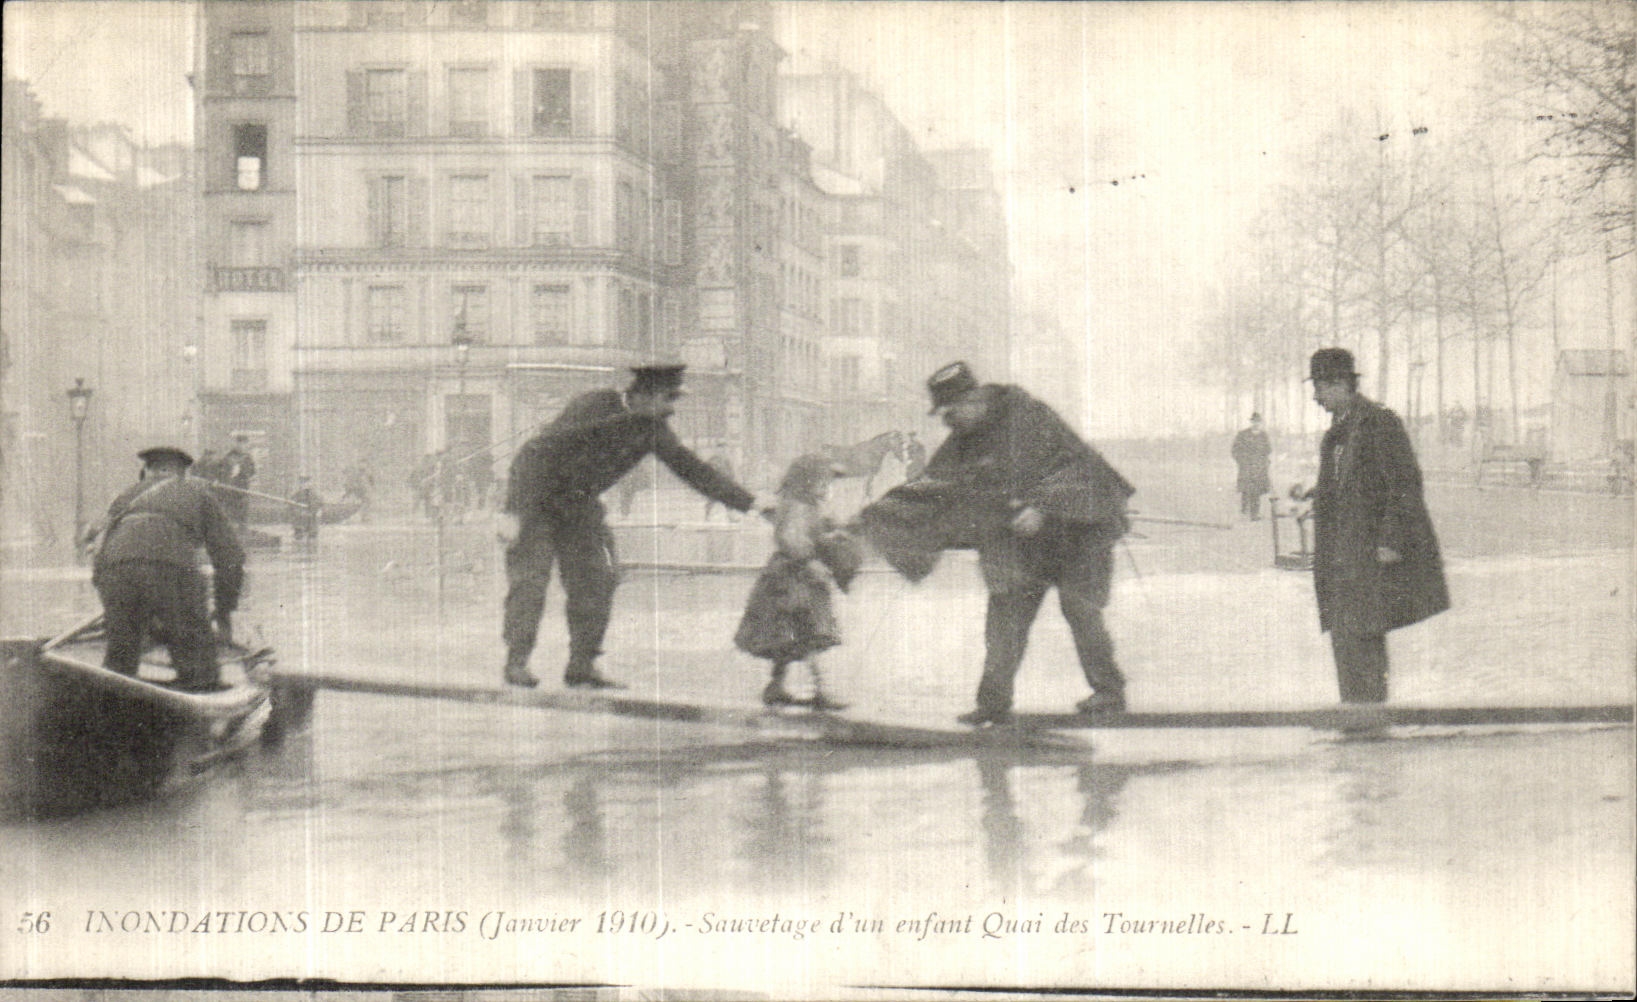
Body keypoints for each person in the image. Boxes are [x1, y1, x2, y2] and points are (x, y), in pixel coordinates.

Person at [858, 361, 1135, 726]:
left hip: (1079, 533)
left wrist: (1043, 506)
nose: (946, 421)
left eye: (950, 411)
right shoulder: (964, 439)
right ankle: (992, 704)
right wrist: (880, 514)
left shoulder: (1030, 417)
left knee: (1080, 610)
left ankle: (1109, 692)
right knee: (1005, 616)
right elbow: (934, 485)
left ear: (974, 400)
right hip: (1022, 543)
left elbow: (1078, 468)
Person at [499, 363, 762, 689]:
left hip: (579, 507)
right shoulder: (593, 405)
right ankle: (517, 661)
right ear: (644, 395)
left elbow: (693, 470)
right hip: (536, 502)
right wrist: (512, 512)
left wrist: (752, 504)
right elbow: (534, 453)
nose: (671, 409)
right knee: (530, 582)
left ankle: (582, 665)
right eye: (667, 399)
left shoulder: (653, 428)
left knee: (599, 578)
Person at [1307, 348, 1450, 704]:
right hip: (1342, 558)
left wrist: (1391, 539)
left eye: (1321, 388)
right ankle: (1356, 711)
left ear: (1341, 384)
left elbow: (1404, 483)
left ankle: (1368, 716)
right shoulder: (1339, 432)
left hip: (1368, 555)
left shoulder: (1378, 421)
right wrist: (1317, 495)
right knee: (1345, 634)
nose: (1316, 398)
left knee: (1364, 635)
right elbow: (1352, 482)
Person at [87, 446, 246, 692]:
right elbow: (230, 556)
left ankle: (113, 701)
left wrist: (112, 598)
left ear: (146, 472)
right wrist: (224, 609)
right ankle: (199, 692)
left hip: (114, 570)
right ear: (183, 473)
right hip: (171, 569)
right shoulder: (197, 493)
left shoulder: (126, 495)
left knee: (120, 657)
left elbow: (99, 550)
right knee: (198, 661)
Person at [734, 454, 859, 710]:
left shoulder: (809, 506)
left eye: (829, 483)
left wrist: (837, 533)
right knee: (806, 632)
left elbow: (822, 530)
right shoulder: (797, 507)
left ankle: (775, 686)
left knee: (787, 635)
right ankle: (821, 689)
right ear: (806, 481)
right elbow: (791, 538)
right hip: (793, 578)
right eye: (822, 482)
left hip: (797, 578)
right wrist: (810, 559)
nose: (827, 488)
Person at [1231, 412, 1272, 520]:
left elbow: (1268, 450)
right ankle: (1244, 510)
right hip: (1246, 467)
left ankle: (1255, 513)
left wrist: (1264, 462)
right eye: (1254, 421)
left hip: (1259, 469)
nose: (1256, 424)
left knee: (1256, 491)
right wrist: (1241, 461)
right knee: (1246, 489)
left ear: (1261, 423)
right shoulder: (1243, 434)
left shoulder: (1264, 436)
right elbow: (1235, 450)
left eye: (1258, 422)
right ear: (1251, 422)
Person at [221, 435, 257, 527]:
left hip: (244, 487)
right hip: (231, 488)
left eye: (245, 444)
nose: (242, 446)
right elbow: (223, 471)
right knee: (231, 508)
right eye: (240, 443)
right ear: (236, 444)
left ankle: (242, 527)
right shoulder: (229, 456)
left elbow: (253, 472)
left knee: (243, 509)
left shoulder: (248, 458)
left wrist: (244, 473)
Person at [289, 475, 321, 541]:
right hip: (300, 519)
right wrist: (297, 510)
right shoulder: (297, 494)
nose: (303, 484)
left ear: (309, 483)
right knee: (298, 537)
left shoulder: (314, 494)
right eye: (302, 482)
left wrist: (314, 509)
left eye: (305, 482)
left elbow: (319, 504)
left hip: (311, 519)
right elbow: (292, 505)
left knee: (312, 538)